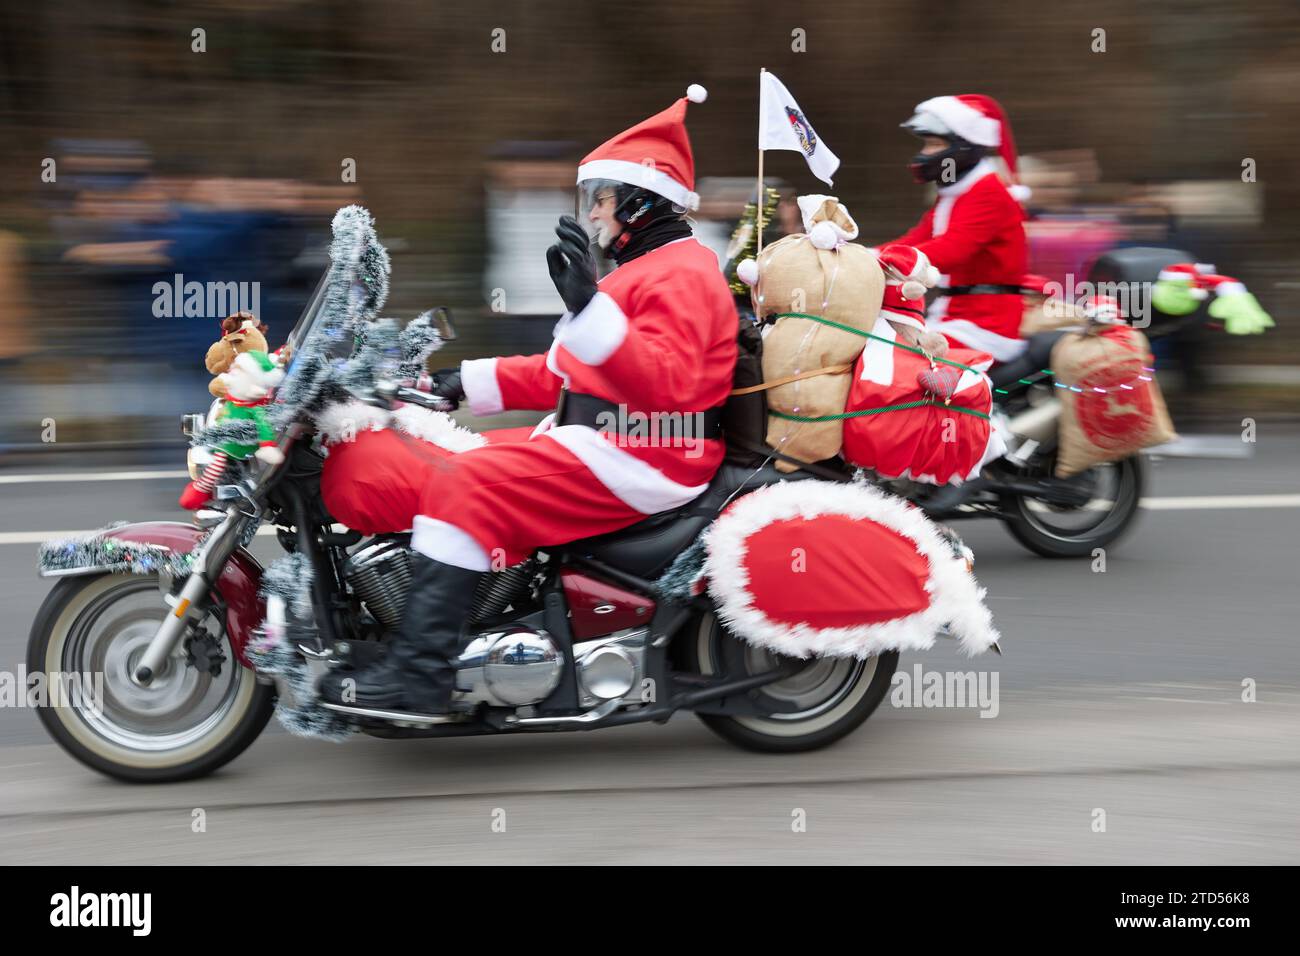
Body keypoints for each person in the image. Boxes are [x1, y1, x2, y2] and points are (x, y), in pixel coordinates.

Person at [319, 85, 737, 715]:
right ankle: (468, 620)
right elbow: (567, 371)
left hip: (648, 453)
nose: (594, 212)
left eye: (603, 198)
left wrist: (589, 309)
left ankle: (420, 674)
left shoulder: (684, 273)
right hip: (607, 440)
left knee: (464, 485)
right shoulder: (645, 269)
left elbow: (664, 385)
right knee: (448, 464)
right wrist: (461, 382)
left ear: (642, 202)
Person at [885, 94, 1030, 363]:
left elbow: (951, 249)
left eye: (934, 144)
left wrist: (886, 263)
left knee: (898, 358)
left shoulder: (988, 192)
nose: (925, 153)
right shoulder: (955, 193)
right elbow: (917, 238)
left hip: (985, 326)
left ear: (962, 149)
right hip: (952, 317)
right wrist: (858, 255)